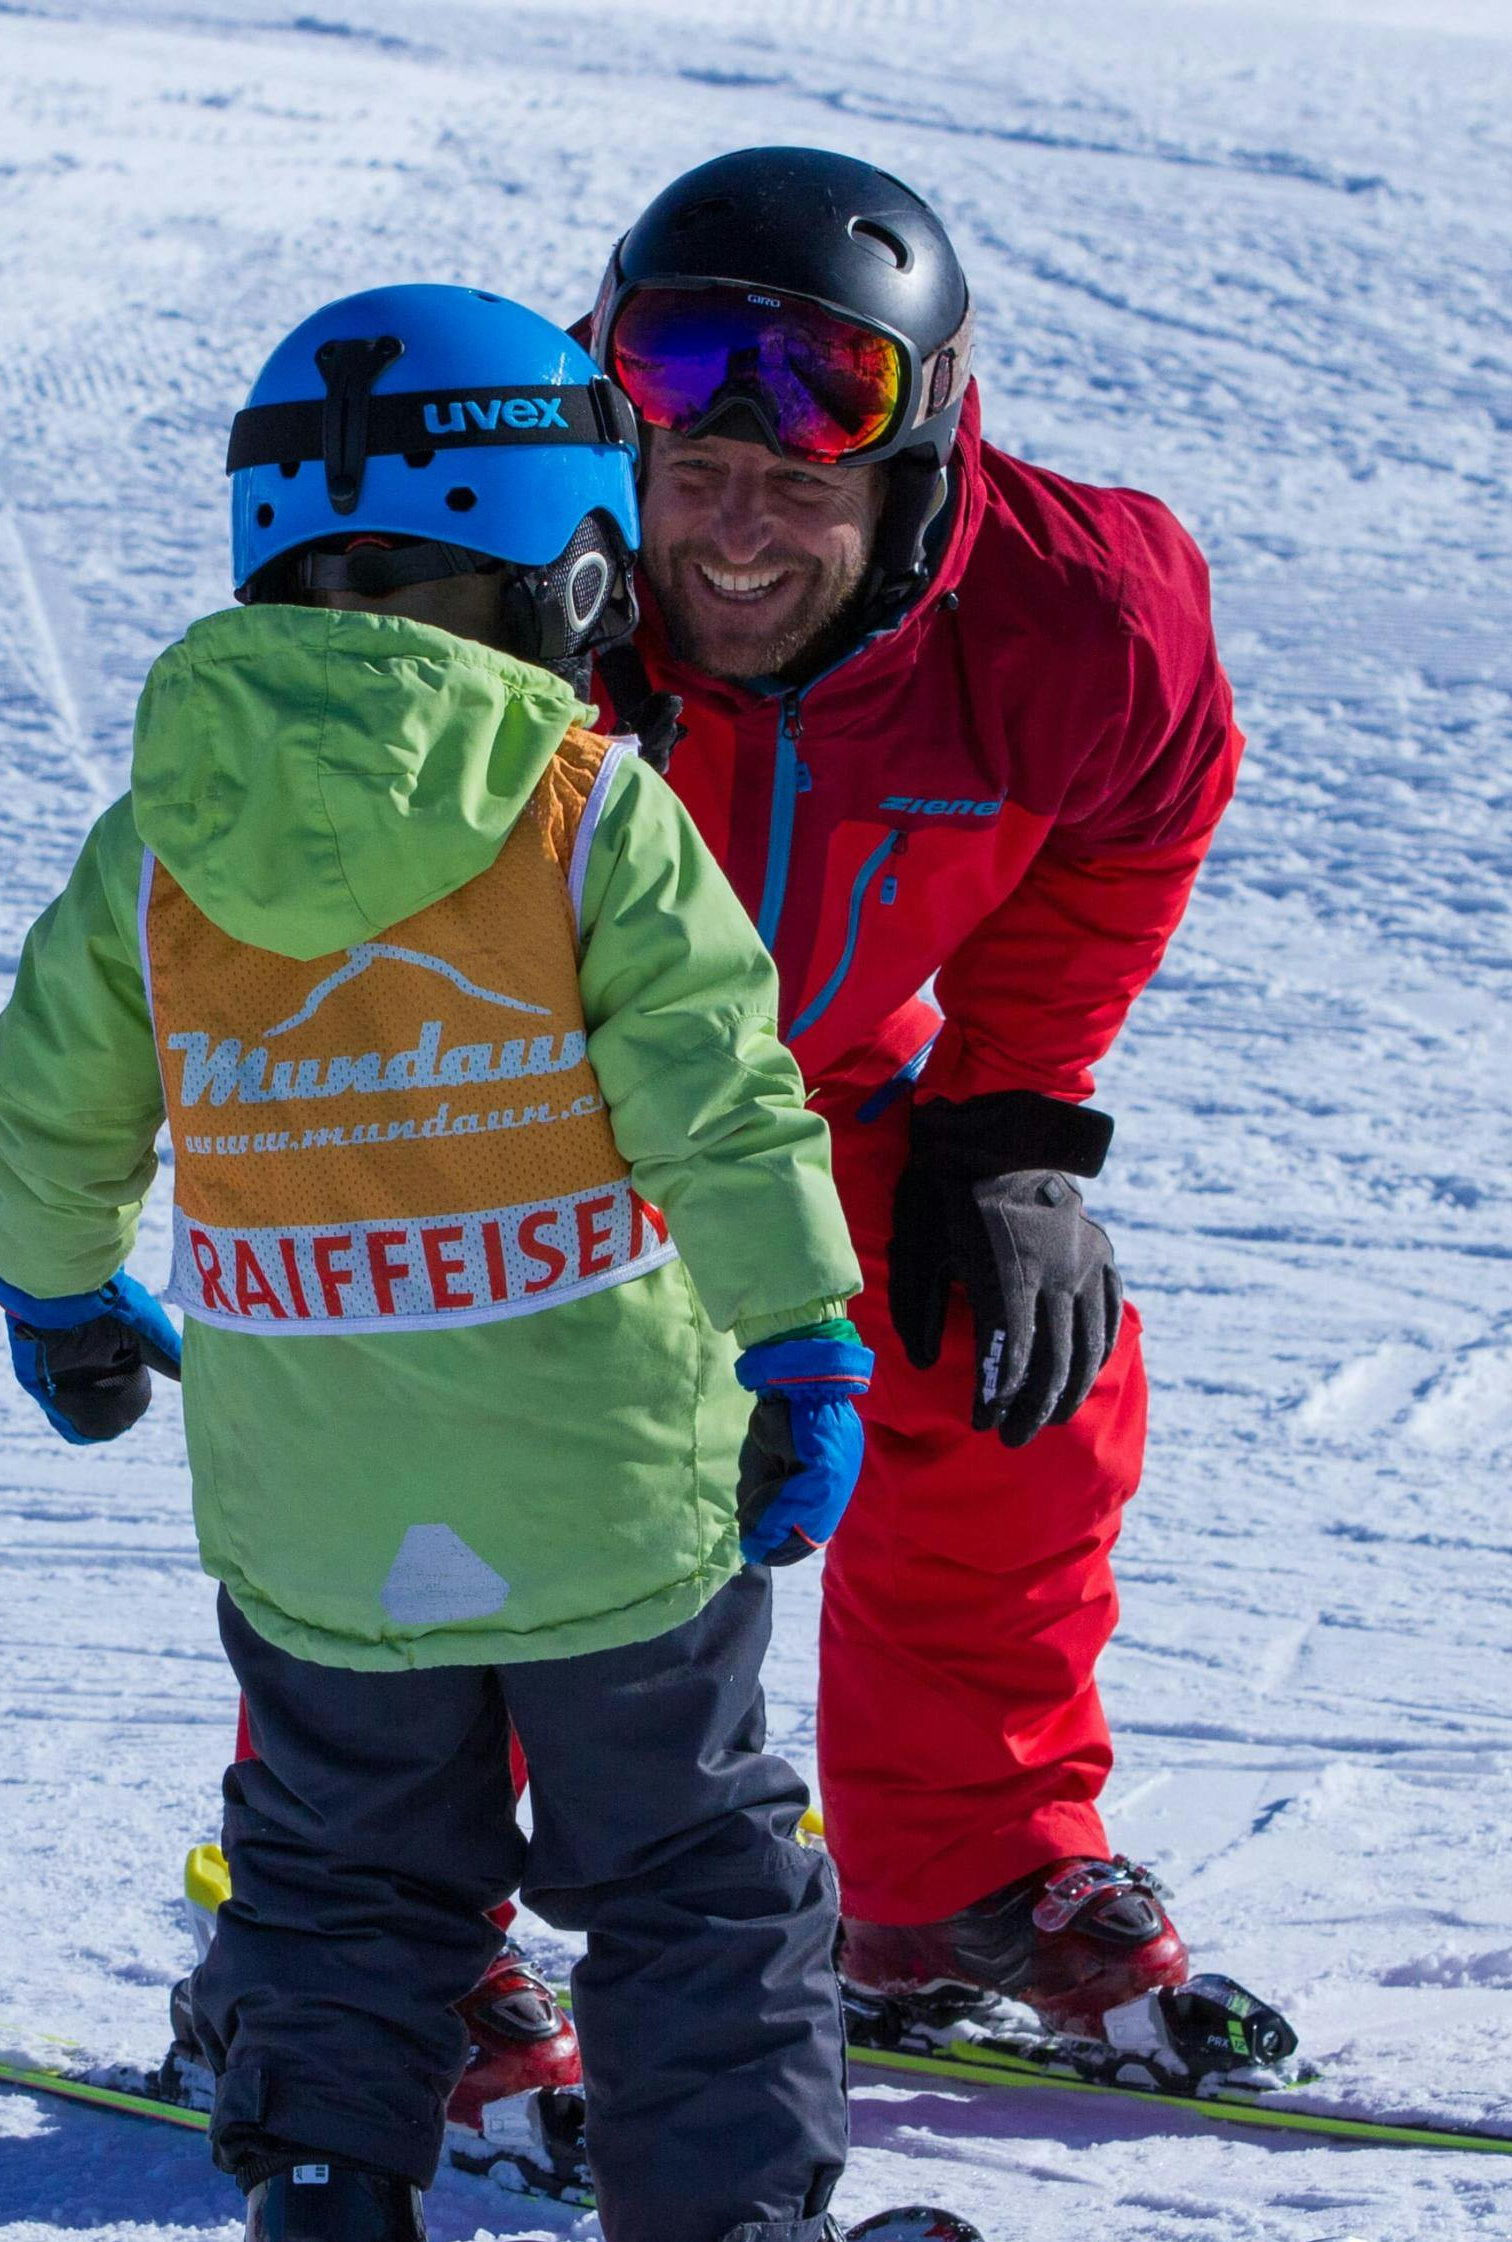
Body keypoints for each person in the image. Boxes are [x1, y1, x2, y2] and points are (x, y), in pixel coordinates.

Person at [0, 282, 876, 2242]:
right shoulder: (586, 807)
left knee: (341, 1888)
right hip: (611, 1498)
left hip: (313, 1514)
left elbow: (50, 1096)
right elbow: (727, 1102)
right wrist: (802, 1339)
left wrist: (61, 1295)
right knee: (687, 1870)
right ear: (576, 566)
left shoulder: (168, 833)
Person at [358, 149, 1253, 2101]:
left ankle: (960, 1870)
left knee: (1011, 1355)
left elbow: (1144, 812)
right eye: (690, 464)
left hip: (810, 1086)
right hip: (504, 1095)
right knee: (481, 1423)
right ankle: (379, 1926)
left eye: (802, 474)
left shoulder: (1074, 619)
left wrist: (1011, 1121)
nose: (737, 528)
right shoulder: (490, 584)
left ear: (915, 462)